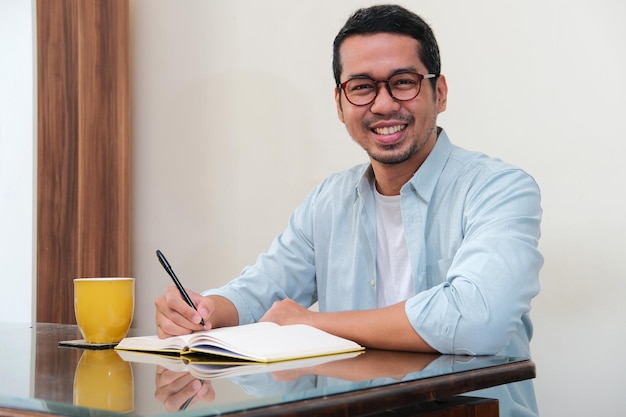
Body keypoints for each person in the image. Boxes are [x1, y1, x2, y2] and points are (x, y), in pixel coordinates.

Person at [155, 4, 543, 358]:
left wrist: (313, 323)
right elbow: (263, 290)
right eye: (361, 87)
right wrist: (204, 311)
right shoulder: (329, 201)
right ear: (340, 105)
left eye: (403, 82)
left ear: (439, 93)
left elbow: (477, 320)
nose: (384, 104)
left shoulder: (499, 189)